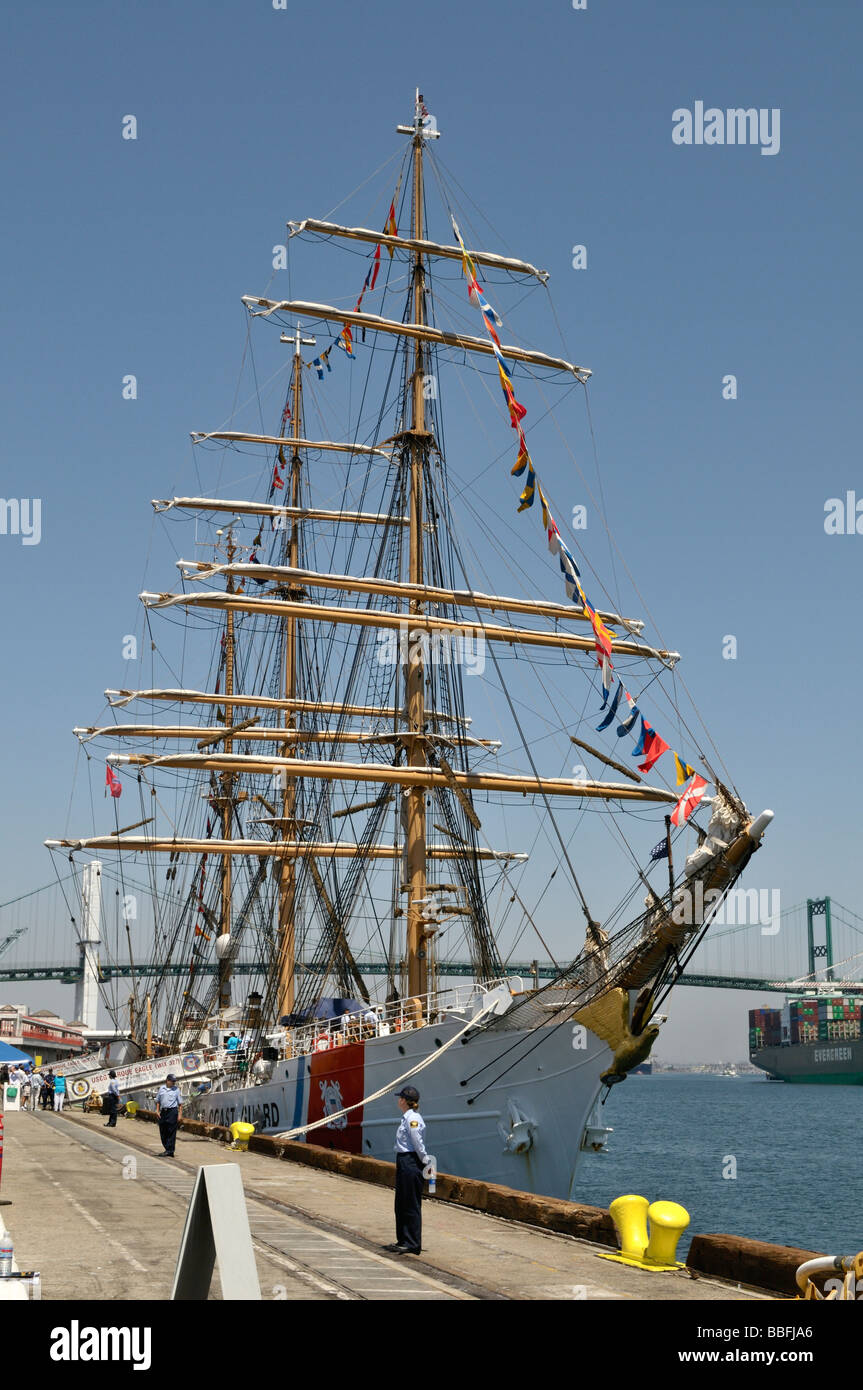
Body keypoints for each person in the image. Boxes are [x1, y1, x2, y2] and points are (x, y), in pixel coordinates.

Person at [383, 1086, 428, 1256]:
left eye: (399, 1098)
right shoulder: (406, 1119)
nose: (398, 1100)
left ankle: (412, 1243)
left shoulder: (413, 1119)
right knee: (401, 1203)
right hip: (404, 1160)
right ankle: (402, 1239)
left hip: (411, 1161)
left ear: (403, 1100)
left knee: (410, 1203)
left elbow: (417, 1143)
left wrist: (425, 1161)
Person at [155, 1073, 182, 1157]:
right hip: (163, 1112)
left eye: (174, 1081)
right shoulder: (161, 1089)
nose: (174, 1083)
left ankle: (170, 1150)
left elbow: (180, 1104)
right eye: (172, 1081)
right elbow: (158, 1101)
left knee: (171, 1131)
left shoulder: (176, 1090)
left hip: (172, 1112)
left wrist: (180, 1115)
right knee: (163, 1130)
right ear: (167, 1081)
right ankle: (168, 1148)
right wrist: (157, 1110)